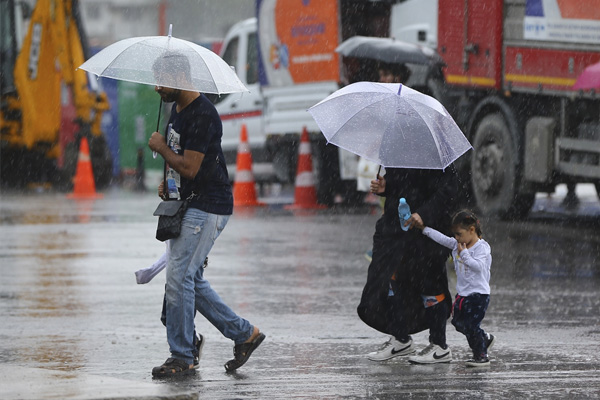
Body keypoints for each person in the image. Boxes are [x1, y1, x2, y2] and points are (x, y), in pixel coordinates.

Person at [148, 51, 265, 376]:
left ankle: (182, 356)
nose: (157, 88)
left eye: (161, 82)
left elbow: (191, 166)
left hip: (208, 205)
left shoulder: (203, 114)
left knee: (179, 277)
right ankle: (244, 334)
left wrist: (161, 148)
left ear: (179, 78)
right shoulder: (177, 110)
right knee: (191, 281)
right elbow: (180, 166)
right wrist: (168, 184)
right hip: (189, 203)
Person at [359, 164, 460, 364]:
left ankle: (439, 346)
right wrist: (386, 187)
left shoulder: (435, 157)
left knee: (430, 285)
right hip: (394, 228)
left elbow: (449, 189)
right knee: (390, 279)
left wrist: (424, 214)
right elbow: (403, 183)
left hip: (426, 230)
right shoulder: (397, 152)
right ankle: (400, 338)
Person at [416, 210, 495, 367]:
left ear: (471, 230)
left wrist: (464, 254)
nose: (457, 238)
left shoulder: (482, 248)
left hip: (478, 295)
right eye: (455, 235)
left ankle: (481, 355)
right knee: (458, 323)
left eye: (459, 234)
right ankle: (484, 338)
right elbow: (442, 238)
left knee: (471, 326)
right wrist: (424, 229)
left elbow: (478, 267)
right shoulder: (457, 244)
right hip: (463, 294)